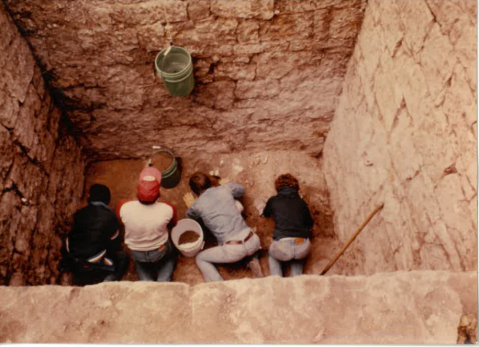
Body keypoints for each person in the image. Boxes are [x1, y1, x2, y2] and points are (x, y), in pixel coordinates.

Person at [184, 172, 263, 282]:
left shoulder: (197, 205)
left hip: (233, 250)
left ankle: (220, 286)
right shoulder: (225, 188)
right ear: (210, 182)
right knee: (237, 205)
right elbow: (242, 190)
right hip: (253, 240)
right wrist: (227, 184)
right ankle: (252, 258)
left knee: (200, 258)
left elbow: (189, 217)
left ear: (194, 192)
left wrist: (191, 205)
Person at [116, 167, 178, 282]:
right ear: (158, 192)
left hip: (136, 252)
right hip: (159, 251)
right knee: (171, 254)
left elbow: (120, 223)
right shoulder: (168, 208)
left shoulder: (123, 207)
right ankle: (163, 280)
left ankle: (146, 281)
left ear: (137, 190)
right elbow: (173, 225)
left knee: (141, 264)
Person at [65, 184, 129, 286]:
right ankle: (108, 282)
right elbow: (114, 245)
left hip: (76, 263)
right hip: (95, 265)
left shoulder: (79, 213)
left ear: (90, 197)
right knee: (123, 257)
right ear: (107, 200)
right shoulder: (111, 217)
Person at [262, 174, 314, 277]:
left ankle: (277, 280)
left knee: (272, 253)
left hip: (282, 249)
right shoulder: (301, 202)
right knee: (298, 256)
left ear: (278, 188)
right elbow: (310, 224)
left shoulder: (273, 200)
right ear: (296, 187)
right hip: (302, 248)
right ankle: (296, 278)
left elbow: (266, 213)